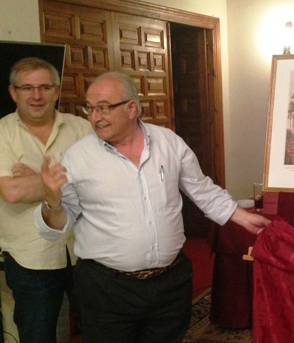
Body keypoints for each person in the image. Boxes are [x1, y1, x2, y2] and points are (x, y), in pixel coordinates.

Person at [34, 71, 270, 343]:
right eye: (90, 108)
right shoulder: (78, 156)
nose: (95, 117)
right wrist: (52, 201)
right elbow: (57, 226)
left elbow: (200, 188)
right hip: (107, 288)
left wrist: (241, 216)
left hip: (170, 284)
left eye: (104, 108)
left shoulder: (168, 142)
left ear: (131, 108)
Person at [0, 57, 92, 343]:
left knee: (102, 331)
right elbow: (11, 193)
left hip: (86, 252)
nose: (36, 96)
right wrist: (70, 178)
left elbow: (100, 182)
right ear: (13, 92)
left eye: (44, 87)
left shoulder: (83, 129)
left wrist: (34, 179)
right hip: (30, 258)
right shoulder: (2, 133)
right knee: (37, 336)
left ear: (56, 90)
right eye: (27, 88)